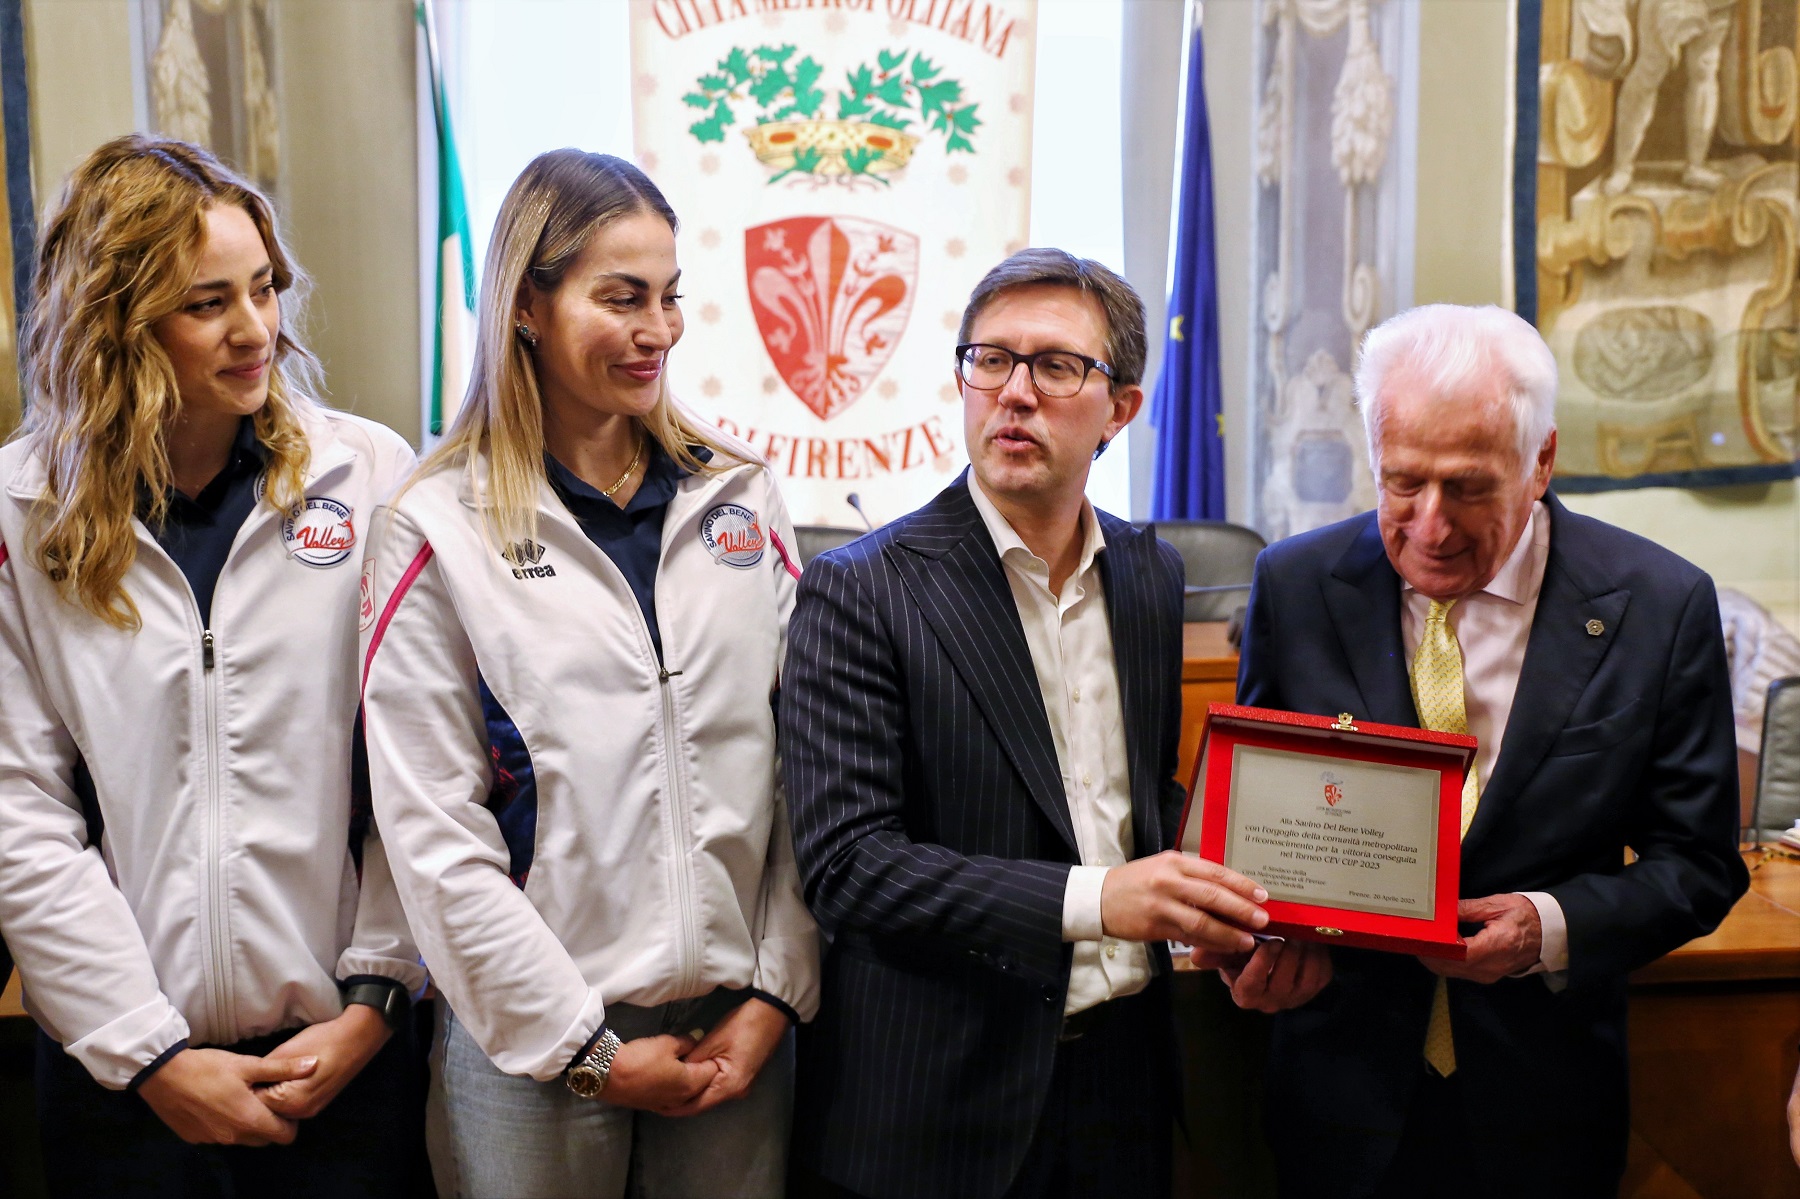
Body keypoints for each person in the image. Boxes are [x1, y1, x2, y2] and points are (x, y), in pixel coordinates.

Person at [779, 248, 1324, 1199]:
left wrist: (1255, 896)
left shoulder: (1150, 576)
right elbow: (850, 868)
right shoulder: (862, 589)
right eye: (990, 360)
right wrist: (1097, 899)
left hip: (1125, 1078)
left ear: (1123, 408)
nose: (1015, 392)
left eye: (1057, 365)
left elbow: (1131, 796)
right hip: (940, 1102)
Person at [359, 149, 818, 1199]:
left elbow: (807, 773)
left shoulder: (740, 498)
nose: (657, 329)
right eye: (620, 298)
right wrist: (584, 1047)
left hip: (730, 1034)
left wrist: (777, 994)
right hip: (533, 1048)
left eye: (669, 296)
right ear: (528, 302)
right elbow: (433, 831)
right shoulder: (438, 524)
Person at [1231, 303, 1748, 1197]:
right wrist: (1260, 946)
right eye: (1403, 483)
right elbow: (1260, 828)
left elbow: (1700, 864)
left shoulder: (1658, 606)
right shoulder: (1297, 584)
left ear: (1540, 460)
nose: (1430, 526)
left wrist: (1545, 928)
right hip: (1339, 1098)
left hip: (1544, 1107)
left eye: (1468, 487)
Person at [0, 135, 425, 1196]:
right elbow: (20, 812)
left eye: (266, 287)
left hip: (343, 1061)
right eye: (208, 304)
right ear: (115, 324)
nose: (258, 331)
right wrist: (149, 1055)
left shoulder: (365, 474)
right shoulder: (20, 510)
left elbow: (423, 770)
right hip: (123, 1080)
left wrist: (375, 996)